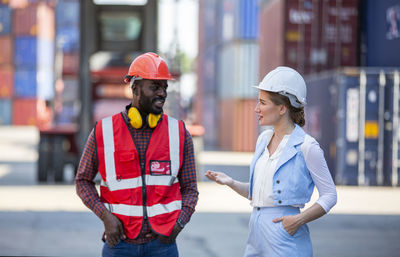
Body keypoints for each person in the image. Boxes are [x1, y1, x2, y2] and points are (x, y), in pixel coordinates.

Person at [75, 52, 199, 257]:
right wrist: (105, 217)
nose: (162, 93)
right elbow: (82, 181)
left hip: (163, 245)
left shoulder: (178, 132)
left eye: (165, 87)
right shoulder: (103, 131)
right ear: (135, 88)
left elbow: (190, 189)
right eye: (155, 87)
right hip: (120, 245)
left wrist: (179, 224)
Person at [205, 66, 337, 257]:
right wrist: (231, 182)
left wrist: (298, 220)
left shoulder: (307, 147)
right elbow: (259, 195)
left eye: (262, 103)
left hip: (285, 234)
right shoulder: (263, 140)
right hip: (256, 231)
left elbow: (330, 195)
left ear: (282, 108)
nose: (256, 109)